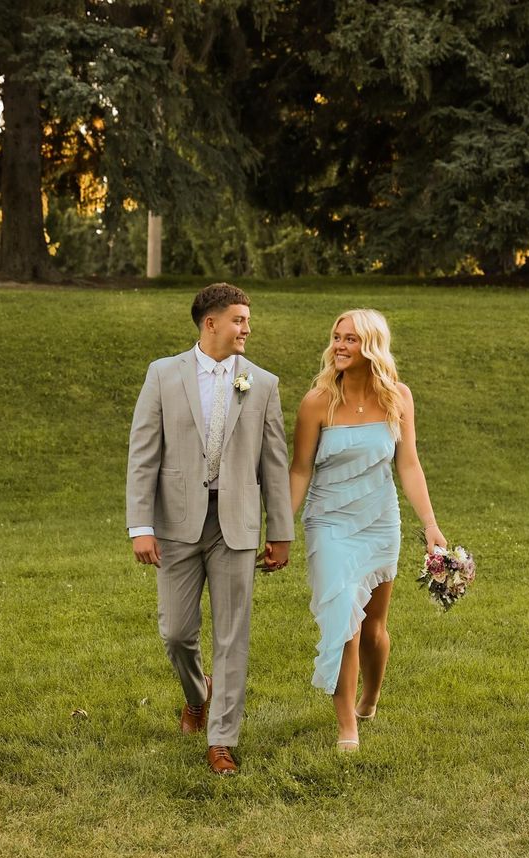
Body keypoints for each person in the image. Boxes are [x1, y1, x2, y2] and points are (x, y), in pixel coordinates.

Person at [126, 282, 294, 775]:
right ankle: (197, 694)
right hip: (176, 523)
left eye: (248, 320)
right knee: (177, 632)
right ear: (211, 323)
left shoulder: (262, 383)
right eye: (239, 320)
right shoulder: (163, 375)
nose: (247, 328)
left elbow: (274, 462)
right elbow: (143, 455)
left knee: (233, 635)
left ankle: (221, 740)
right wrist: (141, 524)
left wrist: (279, 530)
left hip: (236, 524)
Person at [289, 309, 446, 751]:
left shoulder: (398, 397)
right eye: (336, 337)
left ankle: (370, 698)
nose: (339, 346)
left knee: (374, 626)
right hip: (328, 523)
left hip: (379, 520)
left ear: (371, 346)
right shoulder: (316, 401)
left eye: (351, 340)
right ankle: (347, 729)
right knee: (345, 622)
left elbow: (409, 464)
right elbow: (299, 471)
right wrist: (280, 530)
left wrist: (430, 525)